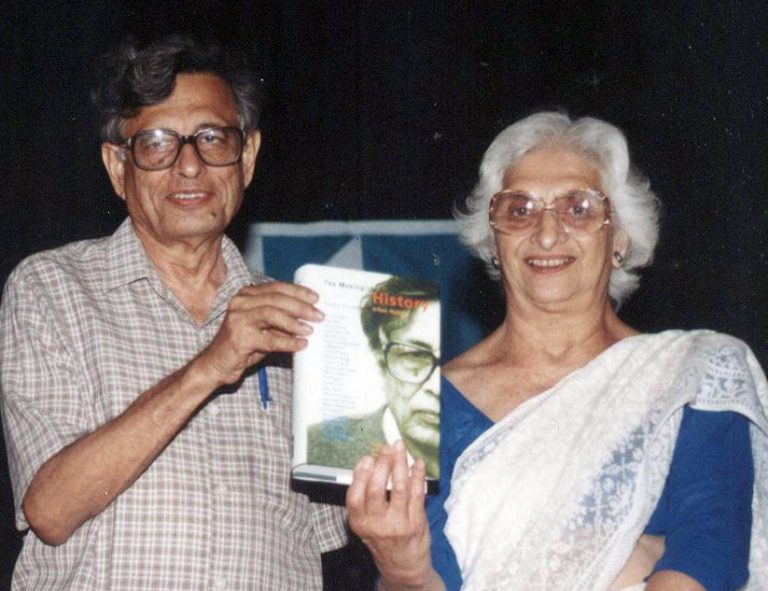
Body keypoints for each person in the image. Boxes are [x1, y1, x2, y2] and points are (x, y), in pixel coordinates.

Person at [346, 111, 768, 591]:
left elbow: (708, 553)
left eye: (579, 208)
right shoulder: (423, 403)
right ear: (492, 239)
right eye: (519, 210)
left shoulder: (693, 374)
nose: (546, 234)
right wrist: (403, 568)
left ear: (621, 237)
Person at [0, 35, 346, 590]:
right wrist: (212, 364)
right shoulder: (54, 288)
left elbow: (323, 539)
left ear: (248, 156)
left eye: (212, 138)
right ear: (118, 166)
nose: (189, 166)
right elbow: (50, 510)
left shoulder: (301, 319)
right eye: (159, 143)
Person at [308, 276, 441, 478]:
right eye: (415, 355)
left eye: (456, 362)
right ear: (381, 361)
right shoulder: (314, 450)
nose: (437, 388)